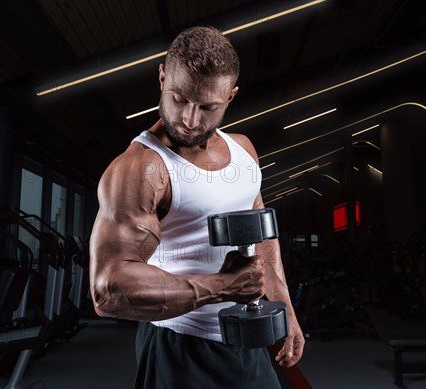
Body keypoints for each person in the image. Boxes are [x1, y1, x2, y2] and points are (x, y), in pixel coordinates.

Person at [89, 26, 304, 388]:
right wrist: (223, 286)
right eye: (179, 98)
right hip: (179, 346)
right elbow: (108, 289)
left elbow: (261, 235)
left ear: (230, 96)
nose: (189, 119)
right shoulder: (140, 168)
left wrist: (282, 304)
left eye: (207, 107)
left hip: (246, 342)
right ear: (162, 76)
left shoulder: (243, 150)